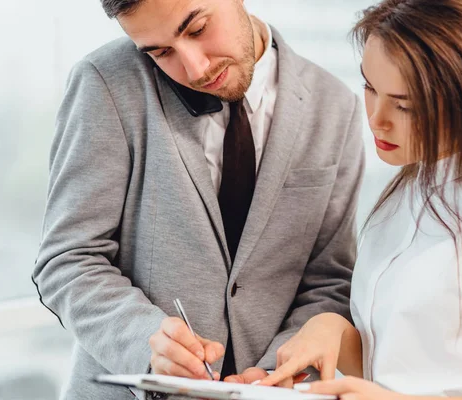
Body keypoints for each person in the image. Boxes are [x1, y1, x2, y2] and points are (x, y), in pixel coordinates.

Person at [32, 0, 366, 398]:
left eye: (197, 29)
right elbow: (68, 259)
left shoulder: (335, 106)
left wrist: (276, 372)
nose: (195, 68)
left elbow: (330, 280)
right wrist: (145, 339)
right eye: (161, 52)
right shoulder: (105, 82)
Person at [260, 0, 462, 398]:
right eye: (369, 87)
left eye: (405, 105)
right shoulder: (406, 191)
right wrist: (332, 331)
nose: (377, 118)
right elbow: (407, 362)